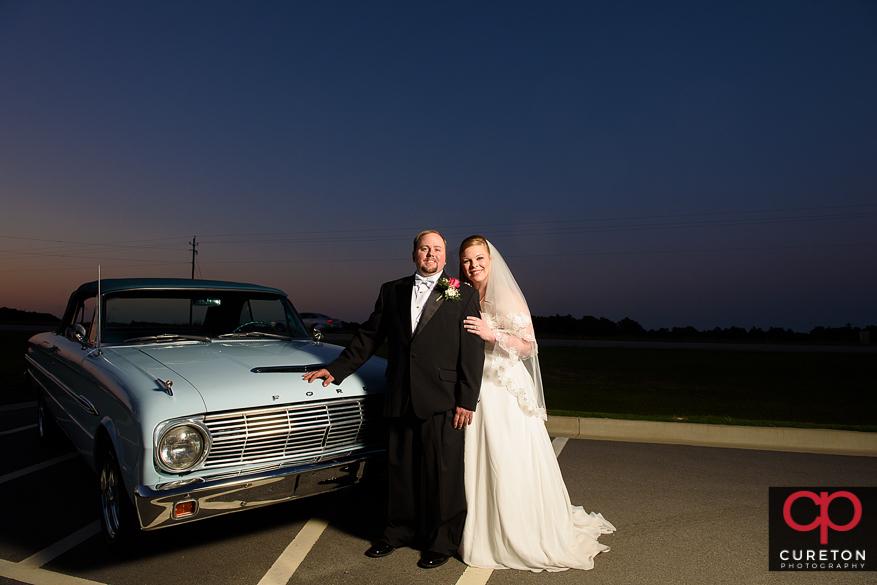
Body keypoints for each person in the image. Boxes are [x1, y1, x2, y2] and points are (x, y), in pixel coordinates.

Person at [303, 230, 484, 569]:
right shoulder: (392, 290)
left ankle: (441, 541)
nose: (430, 254)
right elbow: (369, 336)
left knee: (443, 475)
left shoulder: (463, 294)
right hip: (400, 394)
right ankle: (398, 532)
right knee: (401, 471)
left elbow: (472, 353)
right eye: (424, 248)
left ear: (446, 258)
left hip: (444, 399)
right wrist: (337, 369)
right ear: (414, 254)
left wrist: (466, 400)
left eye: (437, 250)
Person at [457, 235, 616, 571]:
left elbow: (529, 347)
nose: (474, 266)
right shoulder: (466, 293)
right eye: (468, 261)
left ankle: (518, 529)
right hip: (477, 386)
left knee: (507, 454)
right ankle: (483, 522)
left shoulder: (507, 294)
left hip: (503, 386)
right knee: (480, 455)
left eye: (480, 259)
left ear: (491, 259)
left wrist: (492, 335)